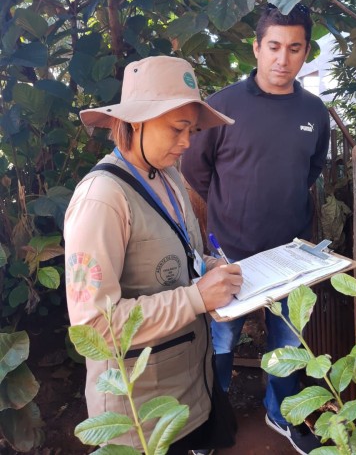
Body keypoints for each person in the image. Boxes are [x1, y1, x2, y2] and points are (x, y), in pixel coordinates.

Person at [64, 55, 243, 455]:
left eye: (192, 130)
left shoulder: (170, 176)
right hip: (141, 416)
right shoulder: (102, 200)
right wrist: (197, 298)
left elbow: (186, 254)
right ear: (136, 122)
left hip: (191, 388)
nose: (187, 143)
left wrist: (214, 269)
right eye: (178, 129)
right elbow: (93, 328)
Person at [181, 3, 331, 455]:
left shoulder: (314, 111)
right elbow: (196, 171)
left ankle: (280, 413)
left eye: (294, 48)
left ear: (305, 52)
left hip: (290, 258)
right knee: (220, 341)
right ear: (256, 47)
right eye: (273, 47)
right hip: (231, 256)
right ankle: (212, 420)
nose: (282, 59)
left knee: (288, 342)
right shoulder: (222, 108)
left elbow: (310, 170)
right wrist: (233, 210)